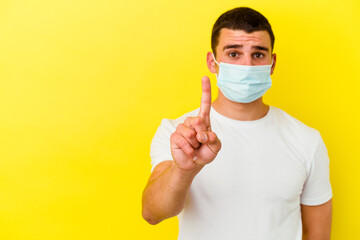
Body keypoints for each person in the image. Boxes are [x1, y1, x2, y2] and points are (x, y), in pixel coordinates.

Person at [142, 7, 332, 240]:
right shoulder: (177, 133)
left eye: (258, 54)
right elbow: (152, 213)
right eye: (233, 54)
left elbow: (318, 234)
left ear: (272, 64)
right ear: (212, 62)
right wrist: (185, 168)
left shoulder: (307, 140)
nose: (247, 65)